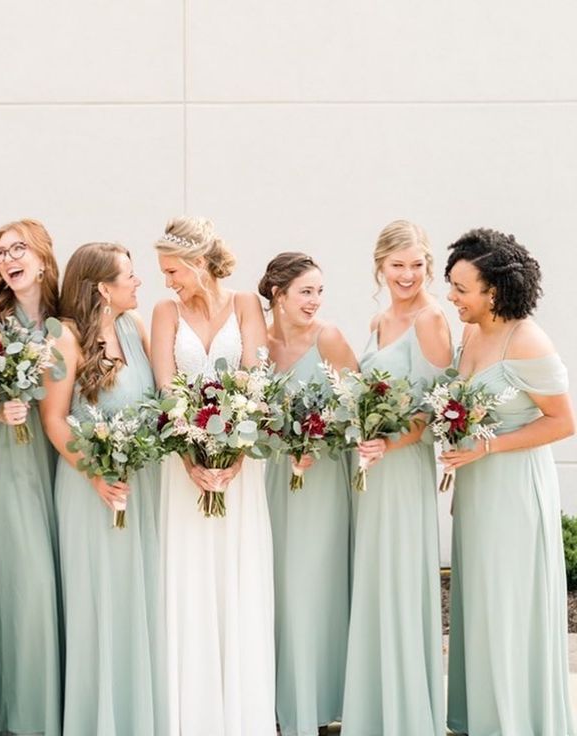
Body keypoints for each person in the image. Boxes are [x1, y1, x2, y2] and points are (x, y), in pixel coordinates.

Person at [443, 228, 576, 735]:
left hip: (514, 490)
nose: (452, 297)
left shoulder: (527, 340)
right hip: (476, 491)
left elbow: (564, 422)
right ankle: (484, 717)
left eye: (460, 288)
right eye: (451, 286)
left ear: (493, 291)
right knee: (480, 604)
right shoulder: (473, 333)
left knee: (509, 604)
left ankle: (517, 721)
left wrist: (489, 447)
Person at [151, 216, 276, 735]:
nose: (167, 281)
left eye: (172, 270)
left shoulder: (246, 304)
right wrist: (188, 457)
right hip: (183, 469)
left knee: (236, 573)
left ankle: (240, 714)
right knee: (188, 575)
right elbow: (165, 387)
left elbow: (255, 378)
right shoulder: (164, 311)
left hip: (239, 467)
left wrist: (236, 456)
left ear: (199, 264)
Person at [40, 242, 164, 735]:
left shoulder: (135, 328)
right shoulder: (63, 339)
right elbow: (54, 420)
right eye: (129, 276)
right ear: (101, 289)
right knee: (98, 601)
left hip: (140, 487)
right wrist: (96, 473)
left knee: (138, 598)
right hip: (89, 489)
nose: (138, 283)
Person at [342, 220, 451, 735]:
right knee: (376, 578)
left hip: (402, 469)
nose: (407, 275)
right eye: (397, 265)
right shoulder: (379, 318)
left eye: (416, 264)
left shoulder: (431, 320)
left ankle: (407, 714)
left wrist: (390, 441)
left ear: (428, 264)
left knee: (401, 579)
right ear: (380, 266)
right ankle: (376, 710)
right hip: (372, 469)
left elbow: (438, 410)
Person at [259, 252, 357, 735]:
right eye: (305, 292)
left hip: (320, 481)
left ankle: (318, 701)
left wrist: (318, 443)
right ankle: (272, 701)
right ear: (278, 294)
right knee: (272, 584)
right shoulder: (259, 342)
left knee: (310, 583)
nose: (315, 301)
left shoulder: (330, 339)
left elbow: (358, 405)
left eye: (319, 291)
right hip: (268, 479)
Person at [0, 219, 61, 736]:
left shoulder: (65, 313)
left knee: (61, 577)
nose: (7, 259)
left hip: (61, 459)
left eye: (17, 248)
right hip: (11, 456)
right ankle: (23, 714)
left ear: (43, 256)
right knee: (25, 581)